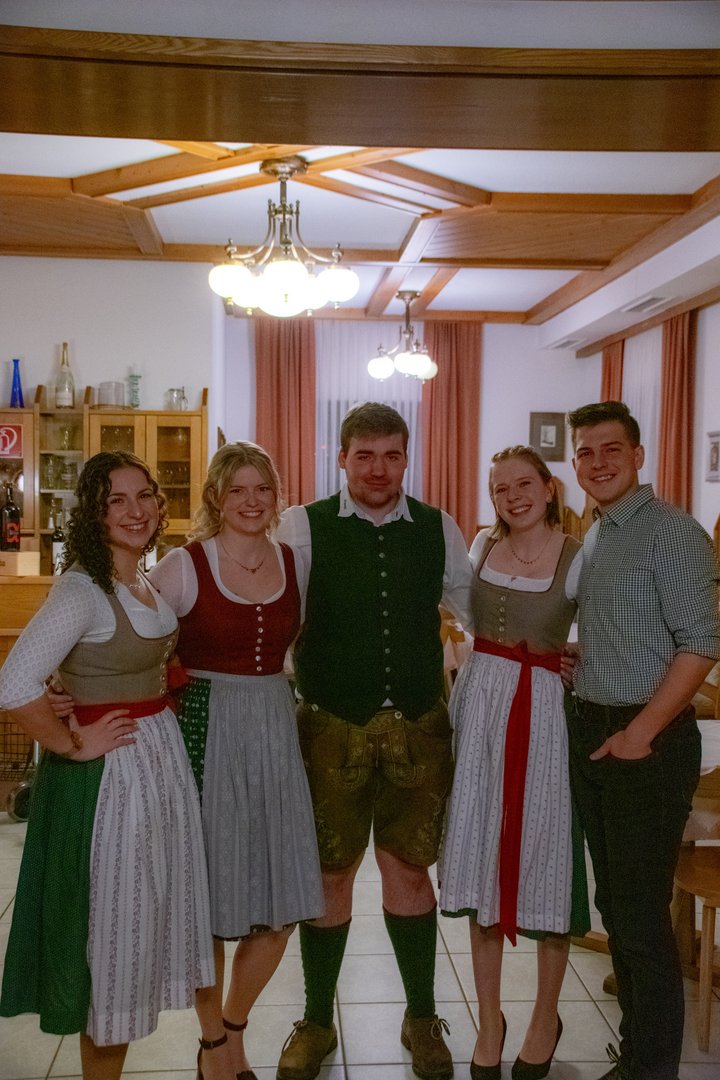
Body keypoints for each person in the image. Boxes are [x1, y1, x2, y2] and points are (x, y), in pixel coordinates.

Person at [0, 451, 214, 1080]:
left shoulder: (140, 579)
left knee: (138, 925)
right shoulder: (82, 590)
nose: (134, 510)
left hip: (154, 764)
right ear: (93, 514)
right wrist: (72, 743)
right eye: (116, 500)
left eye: (144, 496)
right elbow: (13, 683)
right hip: (111, 782)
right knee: (110, 937)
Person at [275, 402, 473, 1080]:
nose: (379, 469)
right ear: (342, 458)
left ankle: (421, 1016)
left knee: (409, 872)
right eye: (365, 455)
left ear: (406, 457)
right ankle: (316, 1021)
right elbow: (273, 613)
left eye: (392, 455)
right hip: (330, 728)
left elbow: (480, 614)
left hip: (418, 727)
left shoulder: (440, 528)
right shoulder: (302, 526)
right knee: (329, 874)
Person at [149, 441, 324, 1080]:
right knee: (209, 903)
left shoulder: (294, 562)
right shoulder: (183, 565)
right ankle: (214, 1045)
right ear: (215, 498)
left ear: (277, 498)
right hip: (205, 730)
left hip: (275, 725)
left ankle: (233, 1027)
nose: (251, 501)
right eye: (237, 490)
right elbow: (128, 632)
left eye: (263, 489)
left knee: (280, 900)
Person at [565, 401, 720, 1080]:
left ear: (637, 455)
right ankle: (636, 1050)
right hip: (598, 728)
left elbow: (701, 644)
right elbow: (636, 631)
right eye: (585, 452)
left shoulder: (672, 532)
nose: (597, 463)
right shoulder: (598, 532)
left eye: (611, 450)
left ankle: (650, 1068)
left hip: (645, 744)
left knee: (638, 918)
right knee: (618, 908)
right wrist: (582, 658)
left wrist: (639, 733)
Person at [439, 445, 588, 1080]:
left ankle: (544, 1017)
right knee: (481, 855)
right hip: (481, 707)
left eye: (524, 484)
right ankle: (490, 1020)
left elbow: (605, 632)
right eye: (500, 488)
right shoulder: (479, 547)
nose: (512, 496)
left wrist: (577, 659)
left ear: (549, 488)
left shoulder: (579, 555)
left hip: (545, 711)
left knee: (547, 857)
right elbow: (456, 612)